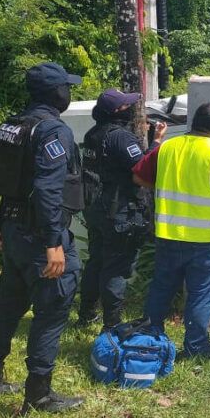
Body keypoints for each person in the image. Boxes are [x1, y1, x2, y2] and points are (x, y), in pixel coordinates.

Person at [0, 62, 85, 413]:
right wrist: (53, 244)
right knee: (52, 308)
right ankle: (39, 394)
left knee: (7, 308)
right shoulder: (51, 131)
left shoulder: (11, 126)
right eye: (67, 87)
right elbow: (48, 189)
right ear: (55, 93)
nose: (69, 92)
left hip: (14, 232)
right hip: (40, 236)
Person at [131, 101, 210, 358]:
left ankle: (149, 337)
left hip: (169, 236)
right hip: (207, 241)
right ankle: (196, 348)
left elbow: (139, 177)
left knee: (161, 288)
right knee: (200, 296)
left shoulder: (167, 148)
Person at [77, 89, 167, 329]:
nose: (131, 109)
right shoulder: (121, 137)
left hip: (96, 209)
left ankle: (86, 315)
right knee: (116, 268)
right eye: (126, 105)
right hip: (120, 212)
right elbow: (142, 170)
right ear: (118, 111)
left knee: (96, 261)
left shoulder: (93, 133)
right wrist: (156, 142)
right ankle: (112, 324)